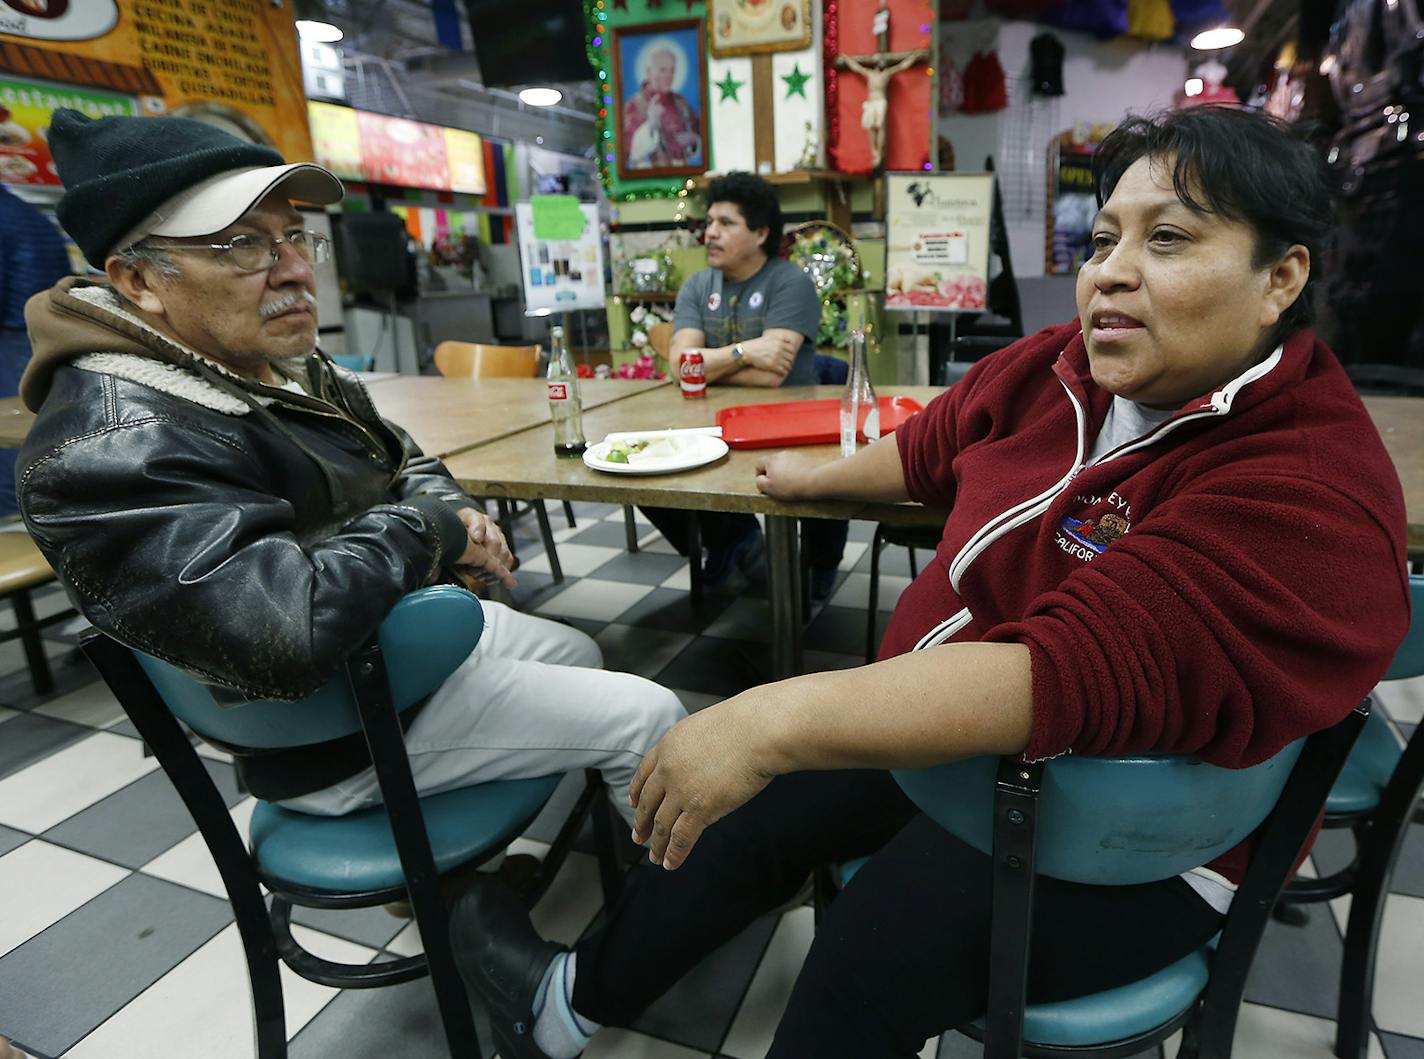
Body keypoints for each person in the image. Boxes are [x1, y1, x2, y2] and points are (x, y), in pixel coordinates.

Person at [453, 106, 1411, 1059]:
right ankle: (562, 1005)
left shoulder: (1303, 487)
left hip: (1141, 838)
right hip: (964, 752)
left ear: (1279, 277)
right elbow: (930, 447)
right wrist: (810, 479)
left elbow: (1071, 666)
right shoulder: (1062, 368)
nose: (1111, 270)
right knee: (750, 816)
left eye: (1168, 238)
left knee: (867, 949)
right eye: (1105, 237)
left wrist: (769, 717)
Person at [16, 110, 684, 830]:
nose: (298, 269)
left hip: (385, 651)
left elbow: (401, 454)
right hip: (328, 735)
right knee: (653, 715)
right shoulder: (104, 444)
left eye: (292, 237)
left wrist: (453, 514)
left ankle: (456, 883)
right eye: (245, 245)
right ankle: (653, 930)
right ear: (138, 280)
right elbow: (286, 632)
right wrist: (427, 528)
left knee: (577, 646)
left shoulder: (273, 365)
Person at [642, 171, 848, 597]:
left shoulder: (790, 282)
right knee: (647, 472)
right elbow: (682, 366)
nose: (710, 233)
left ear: (759, 233)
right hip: (713, 418)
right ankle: (729, 538)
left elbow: (773, 374)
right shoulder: (698, 285)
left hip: (791, 418)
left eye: (726, 223)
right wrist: (744, 352)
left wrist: (709, 364)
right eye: (709, 222)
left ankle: (821, 563)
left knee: (822, 480)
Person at [0, 184, 71, 517]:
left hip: (13, 340)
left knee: (10, 447)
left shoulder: (5, 216)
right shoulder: (27, 213)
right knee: (38, 436)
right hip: (47, 334)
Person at [623, 44, 702, 170]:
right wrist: (651, 125)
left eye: (672, 70)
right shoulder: (634, 105)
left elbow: (699, 132)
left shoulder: (680, 102)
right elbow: (629, 153)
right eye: (663, 70)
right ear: (649, 71)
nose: (669, 76)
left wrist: (693, 140)